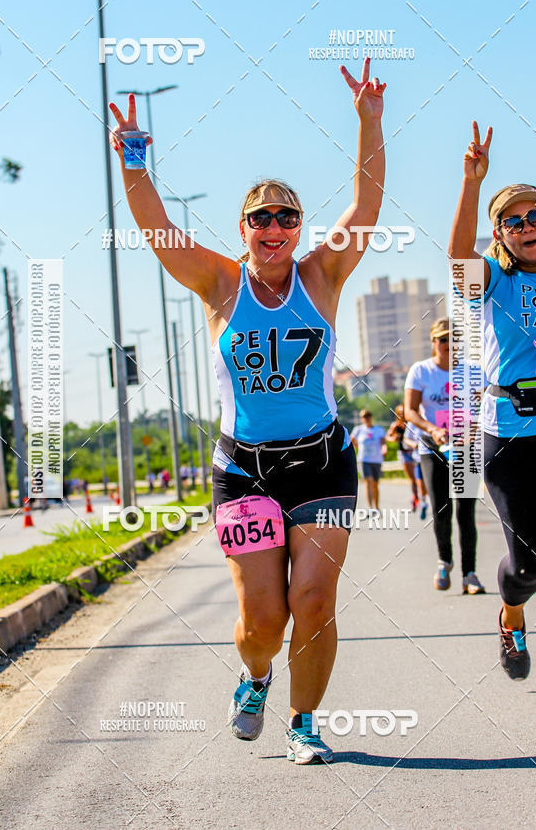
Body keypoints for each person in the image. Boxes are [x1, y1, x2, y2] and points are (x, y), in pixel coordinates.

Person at [109, 58, 385, 763]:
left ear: (297, 228)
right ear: (243, 227)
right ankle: (255, 673)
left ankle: (303, 724)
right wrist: (136, 161)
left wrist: (369, 121)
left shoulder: (322, 275)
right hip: (244, 475)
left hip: (322, 463)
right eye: (261, 217)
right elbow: (158, 231)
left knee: (315, 606)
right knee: (263, 620)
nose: (274, 226)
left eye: (286, 216)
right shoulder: (218, 281)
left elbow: (368, 202)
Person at [448, 120, 536, 679]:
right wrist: (472, 181)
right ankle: (512, 612)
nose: (526, 226)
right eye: (512, 222)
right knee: (533, 559)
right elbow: (457, 258)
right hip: (512, 436)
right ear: (501, 236)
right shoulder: (492, 278)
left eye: (535, 214)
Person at [404, 318, 485, 595]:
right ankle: (444, 560)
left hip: (465, 448)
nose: (448, 344)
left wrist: (474, 430)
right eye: (442, 339)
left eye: (454, 339)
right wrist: (433, 429)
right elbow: (410, 411)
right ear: (433, 342)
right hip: (432, 447)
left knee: (466, 512)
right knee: (442, 509)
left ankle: (470, 575)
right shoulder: (421, 371)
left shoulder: (472, 371)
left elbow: (485, 405)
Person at [350, 409, 387, 512]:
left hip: (376, 460)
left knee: (375, 484)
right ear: (361, 419)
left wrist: (384, 448)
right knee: (368, 482)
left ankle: (376, 506)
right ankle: (370, 508)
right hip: (364, 460)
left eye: (368, 416)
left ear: (371, 417)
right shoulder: (358, 429)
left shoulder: (379, 429)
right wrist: (355, 447)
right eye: (364, 416)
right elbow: (350, 440)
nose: (366, 418)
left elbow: (383, 442)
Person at [386, 404, 419, 511]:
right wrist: (394, 438)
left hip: (415, 452)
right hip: (404, 454)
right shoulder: (396, 425)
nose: (402, 414)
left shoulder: (413, 423)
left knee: (420, 478)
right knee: (412, 479)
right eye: (400, 413)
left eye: (403, 412)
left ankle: (421, 496)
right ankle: (415, 497)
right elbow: (388, 437)